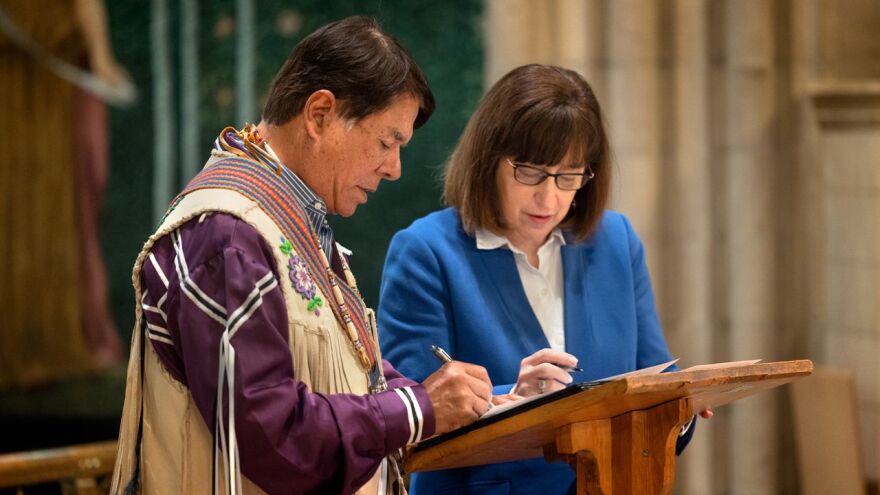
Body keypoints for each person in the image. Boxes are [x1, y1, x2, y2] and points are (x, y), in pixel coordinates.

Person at [111, 16, 493, 495]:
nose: (394, 169)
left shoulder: (285, 218)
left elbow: (355, 372)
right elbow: (273, 436)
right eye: (386, 141)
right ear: (319, 115)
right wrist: (418, 409)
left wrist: (486, 401)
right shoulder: (227, 235)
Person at [378, 64, 710, 495]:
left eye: (568, 176)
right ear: (488, 160)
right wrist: (513, 398)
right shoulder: (426, 251)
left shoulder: (615, 241)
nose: (548, 197)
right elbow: (412, 421)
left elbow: (654, 374)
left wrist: (681, 406)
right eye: (530, 172)